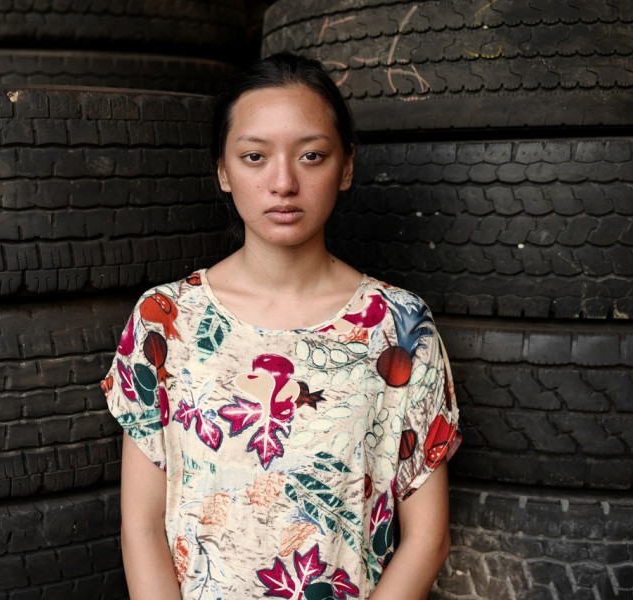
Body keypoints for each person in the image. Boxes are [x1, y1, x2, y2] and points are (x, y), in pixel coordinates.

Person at [102, 52, 461, 600]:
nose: (283, 182)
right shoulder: (165, 321)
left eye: (311, 155)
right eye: (254, 157)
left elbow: (428, 538)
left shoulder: (399, 326)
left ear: (346, 167)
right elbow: (142, 528)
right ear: (223, 171)